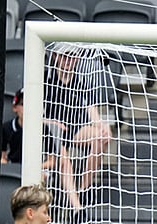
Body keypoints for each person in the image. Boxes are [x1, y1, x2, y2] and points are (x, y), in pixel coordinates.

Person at [43, 46, 113, 206]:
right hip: (50, 132)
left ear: (78, 59)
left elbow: (91, 109)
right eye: (64, 56)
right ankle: (74, 206)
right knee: (63, 157)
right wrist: (51, 123)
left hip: (74, 129)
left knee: (100, 138)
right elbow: (34, 113)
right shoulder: (46, 79)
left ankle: (84, 190)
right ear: (55, 57)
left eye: (72, 57)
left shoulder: (81, 81)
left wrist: (103, 126)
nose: (68, 61)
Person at [1, 88, 79, 207]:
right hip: (14, 167)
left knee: (40, 179)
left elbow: (52, 161)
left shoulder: (43, 129)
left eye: (30, 103)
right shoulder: (6, 128)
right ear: (15, 107)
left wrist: (34, 168)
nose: (27, 108)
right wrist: (8, 166)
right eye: (22, 104)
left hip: (39, 168)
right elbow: (2, 156)